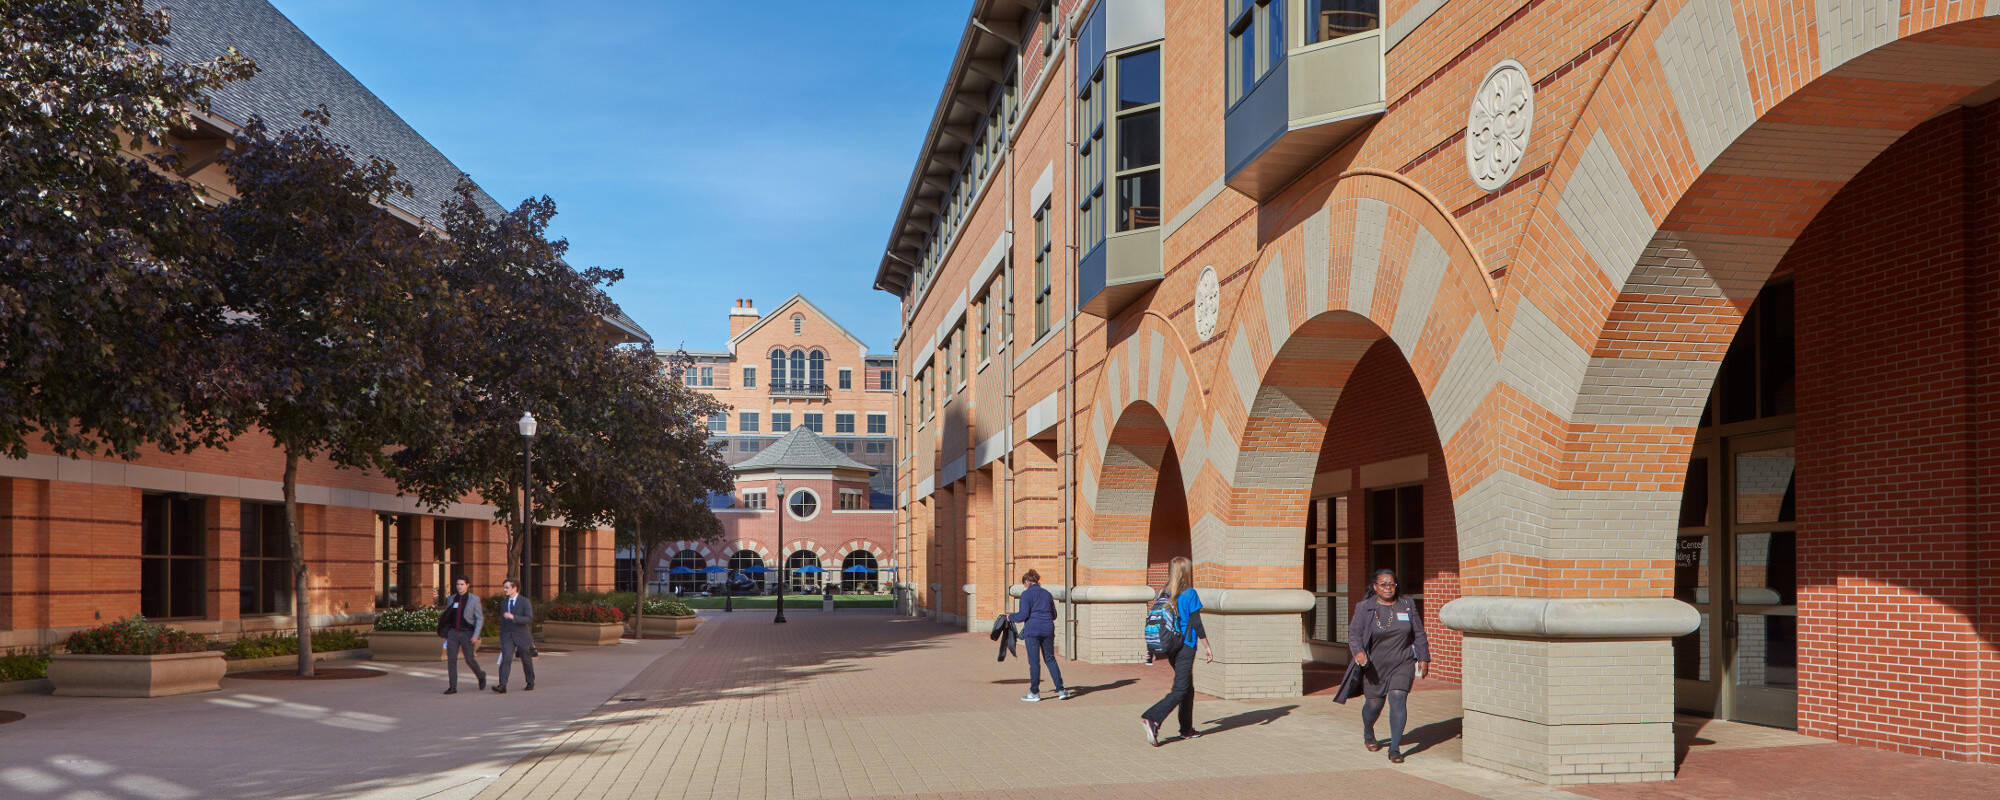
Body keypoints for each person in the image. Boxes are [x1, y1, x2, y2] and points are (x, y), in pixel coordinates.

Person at [1349, 568, 1430, 763]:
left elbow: (1419, 633)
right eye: (1383, 584)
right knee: (1373, 705)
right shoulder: (1365, 607)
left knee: (1398, 697)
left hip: (1402, 662)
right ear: (1375, 587)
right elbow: (1354, 634)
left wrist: (1423, 657)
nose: (1388, 587)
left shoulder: (1407, 605)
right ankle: (1368, 732)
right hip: (1375, 666)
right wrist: (1358, 652)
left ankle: (1394, 748)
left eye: (1391, 584)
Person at [1140, 557, 1212, 745]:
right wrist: (1207, 646)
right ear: (1186, 571)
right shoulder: (1190, 593)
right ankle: (1153, 717)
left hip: (1171, 646)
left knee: (1187, 687)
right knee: (1181, 689)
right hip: (1186, 646)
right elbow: (1196, 623)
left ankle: (1186, 729)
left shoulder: (1163, 592)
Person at [1008, 569, 1068, 701]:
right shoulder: (1047, 594)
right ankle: (1061, 690)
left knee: (1034, 662)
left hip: (1032, 630)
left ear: (1027, 581)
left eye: (1024, 584)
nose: (1024, 586)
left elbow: (1022, 615)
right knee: (1050, 659)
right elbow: (1054, 615)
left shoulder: (1026, 595)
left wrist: (1009, 617)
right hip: (1047, 629)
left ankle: (1034, 692)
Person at [437, 576, 486, 695]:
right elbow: (448, 617)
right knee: (451, 660)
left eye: (462, 584)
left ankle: (481, 675)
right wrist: (445, 633)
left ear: (467, 585)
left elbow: (479, 618)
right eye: (458, 584)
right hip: (453, 633)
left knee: (469, 659)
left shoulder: (474, 599)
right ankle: (452, 686)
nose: (459, 586)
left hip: (467, 633)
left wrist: (476, 635)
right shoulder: (451, 599)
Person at [492, 578, 534, 693]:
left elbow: (529, 619)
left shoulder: (524, 601)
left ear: (514, 588)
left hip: (522, 635)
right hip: (507, 636)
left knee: (526, 660)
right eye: (504, 587)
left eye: (507, 587)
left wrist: (514, 618)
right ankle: (502, 685)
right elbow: (503, 622)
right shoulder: (504, 603)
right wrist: (502, 638)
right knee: (506, 659)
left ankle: (530, 681)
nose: (505, 590)